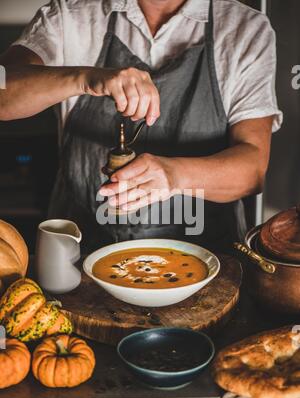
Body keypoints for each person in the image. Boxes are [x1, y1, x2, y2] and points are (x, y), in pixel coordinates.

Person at [0, 0, 282, 252]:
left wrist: (173, 176)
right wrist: (84, 78)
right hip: (79, 265)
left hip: (206, 272)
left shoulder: (244, 28)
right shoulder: (70, 15)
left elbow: (252, 168)